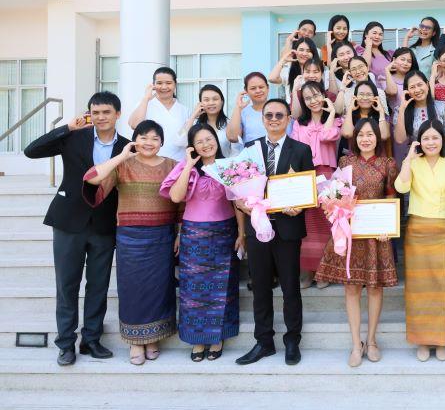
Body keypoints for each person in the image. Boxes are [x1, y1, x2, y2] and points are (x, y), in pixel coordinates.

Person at [23, 91, 129, 366]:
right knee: (67, 285)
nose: (101, 117)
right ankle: (66, 343)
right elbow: (31, 151)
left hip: (104, 224)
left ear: (117, 114)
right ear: (89, 114)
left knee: (98, 286)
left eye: (106, 112)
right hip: (68, 221)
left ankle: (91, 339)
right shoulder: (73, 137)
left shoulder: (126, 147)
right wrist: (67, 127)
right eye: (95, 112)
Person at [82, 120, 178, 365]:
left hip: (162, 237)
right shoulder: (123, 165)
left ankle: (154, 337)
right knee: (132, 289)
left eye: (155, 138)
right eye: (143, 137)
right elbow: (91, 178)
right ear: (135, 140)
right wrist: (121, 156)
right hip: (130, 237)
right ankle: (136, 341)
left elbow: (182, 203)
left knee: (159, 288)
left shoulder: (172, 165)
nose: (149, 143)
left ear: (162, 142)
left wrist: (179, 233)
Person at [235, 99, 315, 367]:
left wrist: (300, 206)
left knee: (291, 287)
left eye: (279, 115)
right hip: (257, 227)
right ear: (262, 119)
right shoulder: (250, 149)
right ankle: (264, 341)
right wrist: (241, 203)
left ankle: (292, 340)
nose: (273, 119)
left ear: (288, 118)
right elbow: (239, 186)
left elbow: (309, 190)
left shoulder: (301, 150)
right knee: (260, 287)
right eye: (268, 115)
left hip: (288, 228)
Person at [315, 119, 399, 367]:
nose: (365, 139)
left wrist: (388, 227)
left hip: (376, 235)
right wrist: (335, 209)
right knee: (351, 289)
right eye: (361, 134)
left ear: (378, 138)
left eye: (370, 134)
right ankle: (355, 343)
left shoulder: (388, 164)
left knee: (375, 288)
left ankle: (371, 341)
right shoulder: (345, 163)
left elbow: (391, 198)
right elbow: (335, 196)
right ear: (355, 138)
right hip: (350, 233)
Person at [159, 123, 245, 362]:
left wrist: (242, 233)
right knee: (193, 291)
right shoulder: (186, 168)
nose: (206, 144)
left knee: (222, 288)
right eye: (199, 141)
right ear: (192, 146)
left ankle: (217, 337)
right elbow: (176, 196)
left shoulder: (228, 166)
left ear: (216, 140)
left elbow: (237, 202)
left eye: (209, 139)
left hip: (224, 233)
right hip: (194, 235)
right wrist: (188, 164)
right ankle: (197, 339)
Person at [395, 119, 445, 362]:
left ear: (442, 140)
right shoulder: (414, 164)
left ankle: (443, 339)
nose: (431, 142)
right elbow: (401, 187)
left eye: (435, 137)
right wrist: (408, 159)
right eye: (426, 138)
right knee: (419, 290)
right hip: (418, 231)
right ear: (419, 142)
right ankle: (422, 340)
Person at [290, 82, 342, 289]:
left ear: (324, 95)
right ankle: (307, 271)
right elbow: (294, 148)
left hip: (327, 174)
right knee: (307, 225)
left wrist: (331, 112)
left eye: (316, 95)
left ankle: (324, 272)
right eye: (308, 98)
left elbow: (327, 136)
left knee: (326, 223)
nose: (313, 101)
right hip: (305, 175)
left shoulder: (335, 120)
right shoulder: (298, 124)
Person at [128, 66, 190, 160]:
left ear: (175, 84)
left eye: (168, 83)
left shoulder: (184, 110)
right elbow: (134, 125)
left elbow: (185, 138)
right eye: (159, 83)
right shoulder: (145, 104)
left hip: (177, 163)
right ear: (153, 85)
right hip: (149, 162)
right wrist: (146, 98)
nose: (164, 87)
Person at [393, 70, 445, 147]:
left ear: (427, 85)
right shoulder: (400, 111)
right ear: (407, 91)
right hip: (415, 154)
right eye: (412, 87)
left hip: (440, 153)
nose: (417, 90)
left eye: (420, 85)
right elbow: (400, 140)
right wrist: (402, 109)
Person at [181, 84, 241, 158]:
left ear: (222, 102)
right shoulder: (193, 122)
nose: (211, 103)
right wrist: (193, 115)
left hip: (224, 164)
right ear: (200, 103)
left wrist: (227, 165)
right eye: (206, 100)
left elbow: (236, 151)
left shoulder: (229, 124)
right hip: (199, 164)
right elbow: (179, 140)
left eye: (215, 99)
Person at [270, 37, 328, 102]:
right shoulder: (289, 70)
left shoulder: (322, 71)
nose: (304, 54)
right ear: (295, 51)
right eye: (301, 50)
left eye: (308, 51)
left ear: (313, 53)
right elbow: (272, 79)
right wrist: (283, 60)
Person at [227, 72, 270, 146]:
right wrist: (238, 107)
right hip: (251, 152)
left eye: (261, 87)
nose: (258, 91)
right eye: (253, 88)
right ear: (246, 90)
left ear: (267, 88)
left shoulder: (279, 109)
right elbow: (232, 137)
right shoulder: (242, 113)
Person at [382, 47, 418, 115]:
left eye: (409, 61)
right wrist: (387, 70)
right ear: (394, 60)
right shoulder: (384, 79)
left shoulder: (414, 78)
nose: (405, 63)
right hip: (395, 118)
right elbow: (392, 91)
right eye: (402, 59)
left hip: (414, 115)